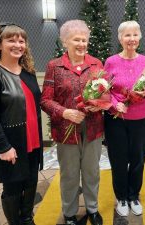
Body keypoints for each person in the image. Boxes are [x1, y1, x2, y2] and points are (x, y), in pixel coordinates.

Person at [0, 23, 43, 225]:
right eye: (11, 40)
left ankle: (27, 217)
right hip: (11, 142)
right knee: (13, 187)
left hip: (32, 139)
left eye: (21, 41)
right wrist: (4, 146)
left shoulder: (28, 72)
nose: (18, 44)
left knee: (31, 181)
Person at [41, 20, 103, 225]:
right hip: (66, 129)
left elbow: (105, 93)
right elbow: (45, 100)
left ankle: (93, 209)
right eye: (76, 39)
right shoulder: (54, 66)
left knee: (92, 171)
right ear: (65, 41)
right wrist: (65, 112)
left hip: (93, 127)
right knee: (69, 173)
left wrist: (99, 104)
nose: (81, 44)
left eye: (84, 40)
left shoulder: (96, 64)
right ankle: (69, 213)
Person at [104, 20, 145, 217]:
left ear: (140, 37)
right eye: (127, 35)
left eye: (135, 35)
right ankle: (121, 198)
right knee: (118, 160)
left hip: (142, 119)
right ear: (120, 38)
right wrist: (114, 102)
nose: (131, 39)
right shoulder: (110, 62)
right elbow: (104, 88)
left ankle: (134, 195)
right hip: (116, 119)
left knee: (138, 160)